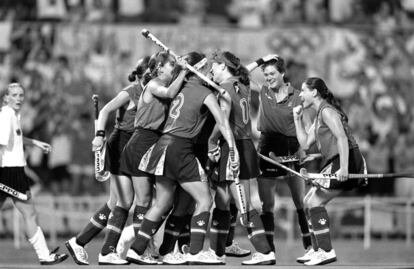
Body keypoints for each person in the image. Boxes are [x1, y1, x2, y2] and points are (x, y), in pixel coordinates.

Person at [127, 51, 240, 265]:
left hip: (162, 147)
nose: (208, 70)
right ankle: (195, 252)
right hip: (181, 148)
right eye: (205, 67)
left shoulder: (179, 88)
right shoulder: (203, 92)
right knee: (205, 200)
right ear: (199, 69)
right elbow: (222, 121)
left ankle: (136, 250)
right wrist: (232, 147)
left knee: (161, 203)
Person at [65, 56, 150, 265]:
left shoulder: (152, 90)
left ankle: (84, 243)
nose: (153, 77)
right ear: (140, 75)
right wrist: (99, 135)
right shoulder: (130, 91)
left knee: (120, 202)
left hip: (134, 145)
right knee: (123, 202)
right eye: (149, 74)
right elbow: (104, 111)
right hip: (121, 144)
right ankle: (107, 250)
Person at [119, 51, 188, 264]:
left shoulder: (167, 83)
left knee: (156, 202)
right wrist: (184, 71)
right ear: (159, 68)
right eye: (172, 65)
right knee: (144, 201)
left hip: (152, 143)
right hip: (142, 142)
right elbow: (167, 93)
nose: (174, 68)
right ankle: (142, 251)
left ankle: (144, 248)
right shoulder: (154, 85)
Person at [208, 50, 276, 265]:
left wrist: (211, 141)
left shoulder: (225, 89)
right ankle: (217, 253)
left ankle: (265, 252)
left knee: (242, 204)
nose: (211, 70)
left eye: (215, 67)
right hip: (246, 146)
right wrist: (263, 59)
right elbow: (244, 69)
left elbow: (222, 122)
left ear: (224, 67)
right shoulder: (243, 83)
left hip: (233, 146)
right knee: (222, 200)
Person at [293, 77, 366, 265]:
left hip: (346, 159)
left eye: (303, 90)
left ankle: (326, 250)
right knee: (308, 200)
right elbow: (305, 144)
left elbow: (342, 138)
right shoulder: (318, 115)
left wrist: (343, 167)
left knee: (315, 201)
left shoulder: (326, 111)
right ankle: (317, 250)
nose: (300, 95)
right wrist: (297, 119)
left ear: (314, 92)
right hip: (336, 160)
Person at [246, 55, 312, 262]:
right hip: (267, 147)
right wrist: (260, 60)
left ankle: (312, 248)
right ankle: (268, 252)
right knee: (267, 204)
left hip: (292, 148)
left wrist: (304, 150)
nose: (268, 78)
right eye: (265, 75)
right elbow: (239, 75)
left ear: (282, 74)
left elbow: (308, 129)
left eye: (272, 73)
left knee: (300, 202)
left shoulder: (298, 96)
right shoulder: (263, 91)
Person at [0, 83, 68, 265]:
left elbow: (16, 139)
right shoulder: (6, 115)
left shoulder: (14, 115)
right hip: (9, 171)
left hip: (14, 170)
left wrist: (36, 143)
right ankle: (44, 255)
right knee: (29, 213)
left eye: (21, 95)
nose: (19, 98)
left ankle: (45, 255)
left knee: (29, 213)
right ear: (6, 98)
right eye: (14, 95)